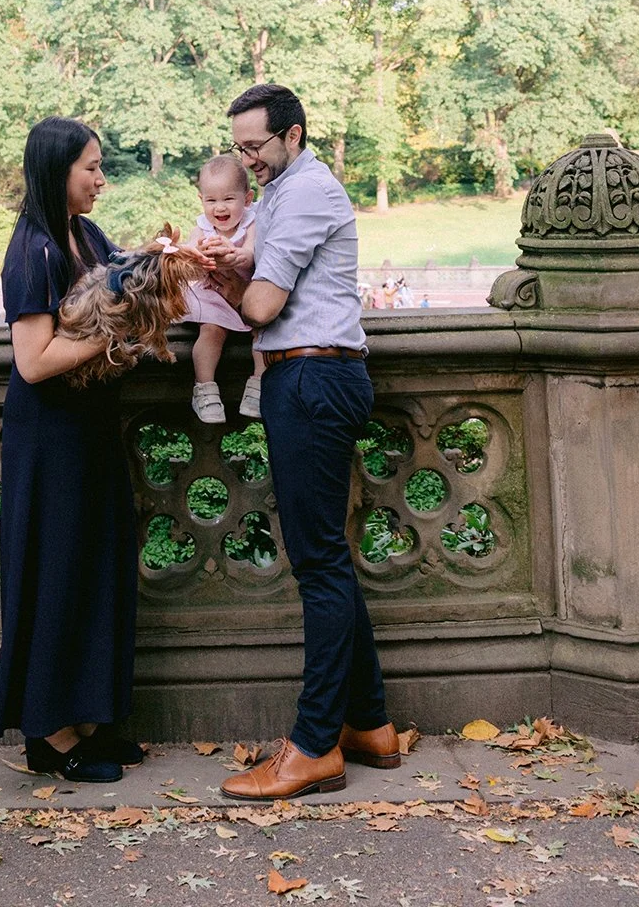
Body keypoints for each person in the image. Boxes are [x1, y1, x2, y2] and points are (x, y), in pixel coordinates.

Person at [202, 81, 399, 802]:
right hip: (303, 377)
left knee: (317, 566)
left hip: (315, 380)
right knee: (327, 560)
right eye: (239, 148)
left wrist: (229, 279)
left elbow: (260, 304)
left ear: (293, 134)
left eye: (255, 146)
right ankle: (368, 723)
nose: (246, 160)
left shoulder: (310, 190)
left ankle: (314, 745)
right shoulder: (282, 191)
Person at [0, 116, 140, 784]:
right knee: (53, 576)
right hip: (48, 440)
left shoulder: (89, 236)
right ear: (57, 172)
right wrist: (114, 345)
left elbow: (121, 299)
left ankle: (85, 719)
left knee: (93, 571)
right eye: (91, 168)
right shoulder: (33, 250)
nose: (101, 179)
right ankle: (48, 735)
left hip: (92, 431)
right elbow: (33, 360)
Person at [181, 153, 264, 423]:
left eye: (228, 199)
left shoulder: (252, 223)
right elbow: (189, 257)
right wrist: (200, 254)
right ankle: (204, 388)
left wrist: (235, 255)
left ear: (247, 199)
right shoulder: (203, 227)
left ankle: (259, 384)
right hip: (213, 294)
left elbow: (251, 253)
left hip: (246, 292)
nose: (219, 208)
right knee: (211, 331)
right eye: (211, 200)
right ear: (201, 201)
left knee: (262, 333)